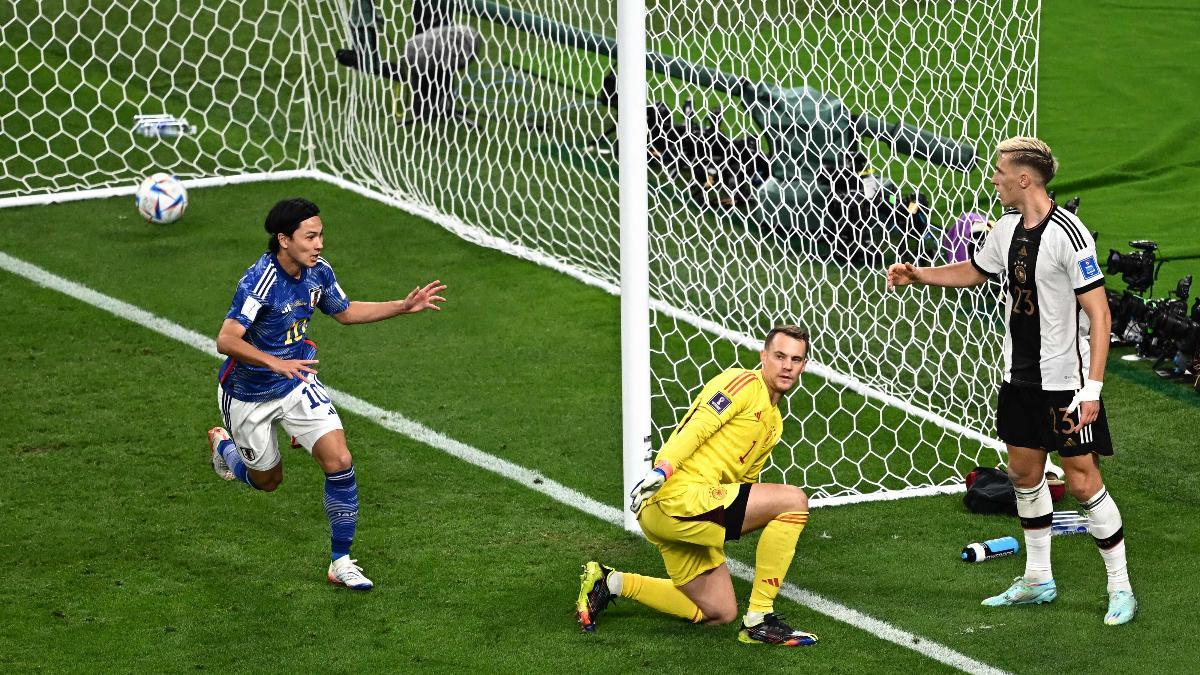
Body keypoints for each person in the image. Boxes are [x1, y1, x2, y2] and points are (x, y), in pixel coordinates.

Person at [885, 137, 1136, 625]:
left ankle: (1120, 586)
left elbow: (1100, 315)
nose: (995, 179)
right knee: (1024, 476)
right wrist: (920, 274)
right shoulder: (1005, 229)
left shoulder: (1070, 235)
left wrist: (1093, 389)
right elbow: (976, 271)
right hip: (1019, 379)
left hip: (1066, 383)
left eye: (1001, 172)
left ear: (1024, 179)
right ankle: (1038, 578)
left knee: (1083, 484)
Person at [206, 197, 446, 590]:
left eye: (321, 236)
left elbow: (345, 311)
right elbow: (226, 339)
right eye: (310, 236)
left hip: (298, 379)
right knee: (268, 481)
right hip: (248, 393)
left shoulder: (318, 272)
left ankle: (341, 561)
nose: (319, 244)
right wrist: (273, 361)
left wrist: (401, 307)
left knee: (339, 459)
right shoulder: (259, 281)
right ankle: (225, 450)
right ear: (284, 240)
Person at [576, 325, 819, 646]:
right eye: (780, 356)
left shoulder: (774, 424)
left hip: (693, 511)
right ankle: (760, 618)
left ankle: (610, 582)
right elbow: (698, 425)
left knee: (719, 611)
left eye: (796, 359)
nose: (787, 365)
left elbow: (743, 486)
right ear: (763, 356)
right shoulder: (745, 384)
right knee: (794, 501)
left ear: (803, 366)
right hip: (678, 496)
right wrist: (663, 469)